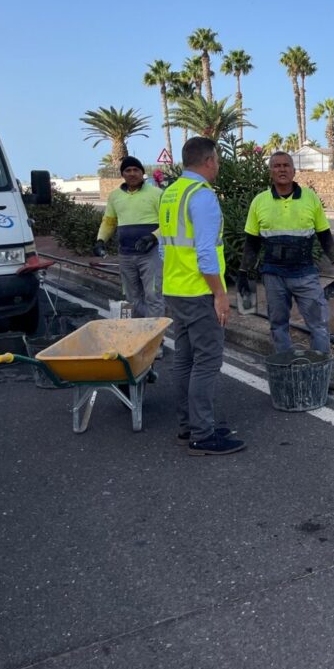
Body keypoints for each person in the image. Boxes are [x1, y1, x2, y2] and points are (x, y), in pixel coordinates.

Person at [159, 137, 245, 456]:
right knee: (207, 361)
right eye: (218, 161)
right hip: (199, 290)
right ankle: (202, 434)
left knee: (184, 359)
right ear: (209, 161)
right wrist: (220, 294)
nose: (218, 166)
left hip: (176, 288)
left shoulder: (170, 193)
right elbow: (205, 252)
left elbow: (162, 246)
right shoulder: (202, 196)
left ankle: (188, 426)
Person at [238, 151, 334, 353]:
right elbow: (251, 243)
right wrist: (244, 271)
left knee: (319, 325)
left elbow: (324, 234)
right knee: (278, 325)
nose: (282, 169)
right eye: (277, 166)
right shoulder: (259, 202)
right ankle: (286, 369)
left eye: (286, 165)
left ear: (294, 171)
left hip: (305, 274)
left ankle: (320, 372)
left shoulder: (310, 198)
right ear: (270, 171)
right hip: (273, 276)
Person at [94, 156, 166, 320]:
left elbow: (168, 223)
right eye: (128, 170)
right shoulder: (115, 196)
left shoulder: (157, 194)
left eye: (136, 170)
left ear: (142, 173)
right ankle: (139, 335)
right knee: (132, 298)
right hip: (126, 255)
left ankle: (154, 336)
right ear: (122, 174)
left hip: (151, 255)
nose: (132, 173)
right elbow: (109, 221)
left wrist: (153, 237)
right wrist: (100, 240)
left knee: (153, 295)